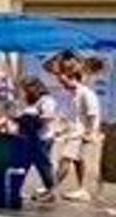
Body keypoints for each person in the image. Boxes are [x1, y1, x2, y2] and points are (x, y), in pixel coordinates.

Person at [63, 57, 105, 202]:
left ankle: (50, 189)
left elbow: (93, 114)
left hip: (83, 134)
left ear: (73, 78)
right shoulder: (75, 94)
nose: (62, 83)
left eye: (64, 80)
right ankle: (84, 190)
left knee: (66, 159)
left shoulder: (86, 93)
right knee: (78, 162)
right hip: (77, 133)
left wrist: (92, 133)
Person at [18, 76, 60, 204]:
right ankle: (17, 188)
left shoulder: (47, 100)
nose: (25, 91)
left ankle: (51, 192)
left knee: (43, 165)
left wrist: (34, 118)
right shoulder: (31, 100)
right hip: (29, 137)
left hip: (42, 138)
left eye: (27, 88)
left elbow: (49, 116)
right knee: (23, 163)